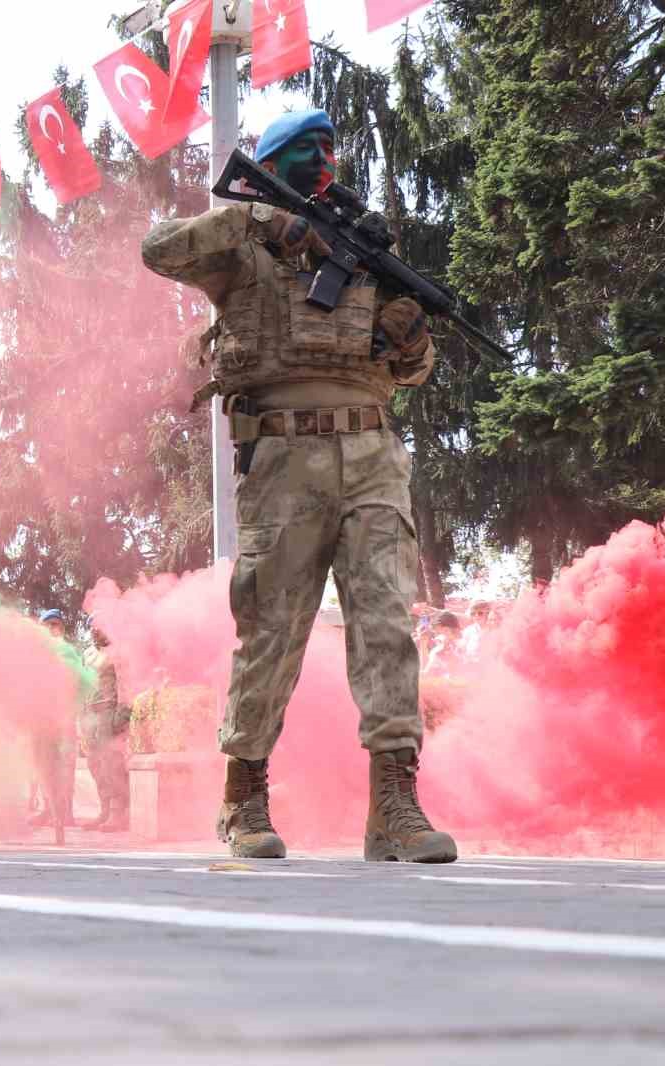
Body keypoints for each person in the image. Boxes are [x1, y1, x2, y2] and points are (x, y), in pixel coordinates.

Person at [141, 108, 457, 864]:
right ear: (272, 163)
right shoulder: (242, 245)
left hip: (373, 452)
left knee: (386, 623)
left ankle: (395, 807)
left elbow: (412, 372)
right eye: (306, 153)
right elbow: (157, 250)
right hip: (284, 456)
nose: (323, 164)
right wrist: (257, 224)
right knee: (272, 630)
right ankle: (244, 798)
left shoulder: (367, 263)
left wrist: (411, 340)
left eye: (330, 152)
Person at [27, 609, 78, 831]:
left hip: (63, 717)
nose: (52, 628)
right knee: (42, 763)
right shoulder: (36, 653)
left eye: (56, 624)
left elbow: (77, 684)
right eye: (48, 625)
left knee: (64, 765)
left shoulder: (69, 652)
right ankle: (49, 810)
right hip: (40, 717)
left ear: (62, 628)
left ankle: (65, 813)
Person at [78, 621, 131, 833]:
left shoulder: (120, 653)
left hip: (109, 714)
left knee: (112, 765)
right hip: (91, 716)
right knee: (96, 765)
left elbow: (127, 685)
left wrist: (121, 716)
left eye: (99, 625)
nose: (94, 630)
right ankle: (105, 810)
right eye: (92, 626)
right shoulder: (89, 654)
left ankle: (119, 813)